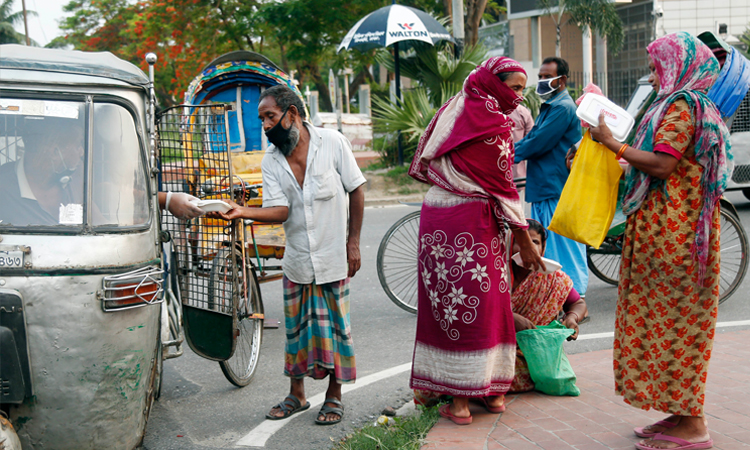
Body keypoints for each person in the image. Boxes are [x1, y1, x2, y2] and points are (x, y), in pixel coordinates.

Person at [589, 32, 730, 450]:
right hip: (665, 231)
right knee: (663, 323)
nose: (652, 76)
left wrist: (612, 144)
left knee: (677, 325)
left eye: (656, 67)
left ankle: (694, 425)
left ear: (680, 64)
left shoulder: (685, 105)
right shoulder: (677, 104)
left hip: (677, 235)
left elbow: (664, 164)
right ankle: (680, 413)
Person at [215, 85, 366, 425]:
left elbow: (356, 189)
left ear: (292, 114)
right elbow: (280, 210)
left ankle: (334, 396)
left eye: (270, 117)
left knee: (336, 328)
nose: (266, 125)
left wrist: (353, 241)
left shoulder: (333, 143)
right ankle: (296, 394)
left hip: (333, 255)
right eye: (262, 119)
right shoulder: (271, 160)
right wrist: (242, 211)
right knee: (296, 330)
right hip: (297, 258)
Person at [408, 57, 544, 426]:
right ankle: (489, 394)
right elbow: (502, 185)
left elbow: (428, 157)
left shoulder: (454, 109)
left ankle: (462, 400)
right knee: (486, 301)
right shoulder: (494, 121)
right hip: (472, 219)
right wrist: (524, 238)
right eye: (513, 88)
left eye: (521, 89)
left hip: (441, 215)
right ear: (494, 83)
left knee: (450, 306)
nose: (517, 97)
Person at [513, 57, 588, 299]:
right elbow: (532, 138)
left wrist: (507, 156)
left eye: (547, 77)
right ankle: (562, 295)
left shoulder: (561, 108)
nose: (542, 81)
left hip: (555, 185)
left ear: (562, 80)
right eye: (541, 77)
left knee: (562, 245)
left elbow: (538, 142)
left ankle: (576, 296)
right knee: (550, 245)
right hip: (546, 184)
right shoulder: (552, 106)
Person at [510, 219, 588, 393]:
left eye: (535, 242)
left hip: (535, 354)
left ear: (543, 248)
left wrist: (572, 318)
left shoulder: (552, 278)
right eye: (520, 241)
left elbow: (578, 303)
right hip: (499, 347)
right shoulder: (496, 272)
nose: (527, 248)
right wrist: (508, 318)